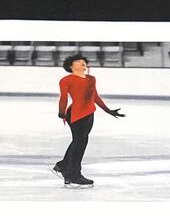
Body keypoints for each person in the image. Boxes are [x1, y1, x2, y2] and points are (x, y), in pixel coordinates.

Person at [52, 54, 124, 187]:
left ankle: (62, 167)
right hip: (75, 114)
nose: (83, 63)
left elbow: (95, 97)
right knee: (80, 143)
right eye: (79, 62)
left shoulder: (91, 79)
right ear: (70, 66)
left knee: (79, 142)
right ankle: (74, 175)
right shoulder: (66, 80)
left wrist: (108, 110)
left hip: (89, 114)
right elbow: (63, 98)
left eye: (84, 61)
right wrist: (61, 112)